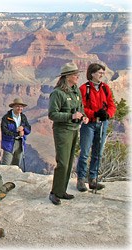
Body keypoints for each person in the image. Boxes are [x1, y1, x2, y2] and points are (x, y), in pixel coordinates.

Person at [48, 62, 89, 205]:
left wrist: (83, 116)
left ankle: (62, 191)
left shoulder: (75, 90)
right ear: (67, 76)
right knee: (63, 163)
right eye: (74, 74)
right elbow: (52, 114)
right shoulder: (57, 93)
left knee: (70, 162)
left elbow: (80, 107)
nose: (77, 76)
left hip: (73, 130)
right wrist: (70, 116)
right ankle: (54, 192)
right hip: (62, 131)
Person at [76, 63, 116, 192]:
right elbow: (81, 107)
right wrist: (94, 114)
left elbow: (112, 105)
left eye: (103, 73)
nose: (102, 75)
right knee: (85, 152)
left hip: (103, 124)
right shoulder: (84, 88)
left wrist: (108, 114)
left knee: (97, 153)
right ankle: (81, 179)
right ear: (92, 73)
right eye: (100, 73)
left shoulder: (105, 88)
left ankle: (92, 179)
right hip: (89, 124)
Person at [0, 97, 31, 169]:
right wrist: (17, 134)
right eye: (17, 106)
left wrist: (23, 128)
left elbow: (29, 129)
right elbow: (5, 131)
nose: (20, 108)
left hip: (20, 143)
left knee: (16, 166)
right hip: (9, 144)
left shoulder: (23, 117)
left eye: (21, 106)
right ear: (13, 107)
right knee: (6, 165)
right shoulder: (6, 118)